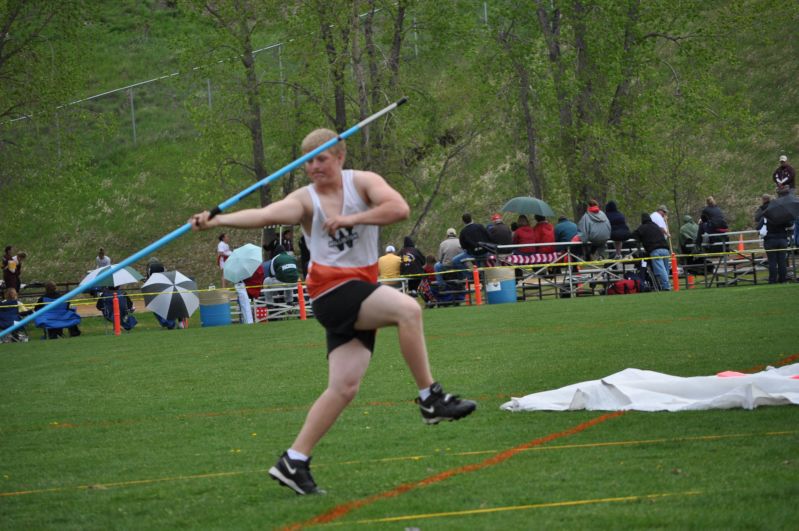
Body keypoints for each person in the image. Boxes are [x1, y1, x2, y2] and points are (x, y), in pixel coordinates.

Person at [189, 128, 476, 495]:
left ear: (340, 156)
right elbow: (265, 215)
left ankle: (294, 461)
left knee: (343, 387)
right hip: (331, 290)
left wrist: (352, 219)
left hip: (360, 287)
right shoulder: (306, 200)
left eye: (321, 158)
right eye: (307, 160)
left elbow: (398, 208)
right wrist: (218, 221)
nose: (313, 166)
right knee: (408, 310)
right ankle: (431, 398)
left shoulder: (364, 183)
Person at [631, 213, 671, 291]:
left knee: (661, 269)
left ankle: (666, 287)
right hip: (665, 249)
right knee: (666, 269)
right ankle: (665, 285)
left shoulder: (642, 228)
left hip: (655, 250)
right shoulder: (656, 226)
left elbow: (633, 235)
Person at [762, 187, 793, 283]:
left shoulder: (766, 214)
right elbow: (790, 224)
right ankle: (783, 280)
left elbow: (759, 226)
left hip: (770, 239)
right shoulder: (782, 214)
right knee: (782, 261)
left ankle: (772, 280)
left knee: (772, 261)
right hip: (782, 239)